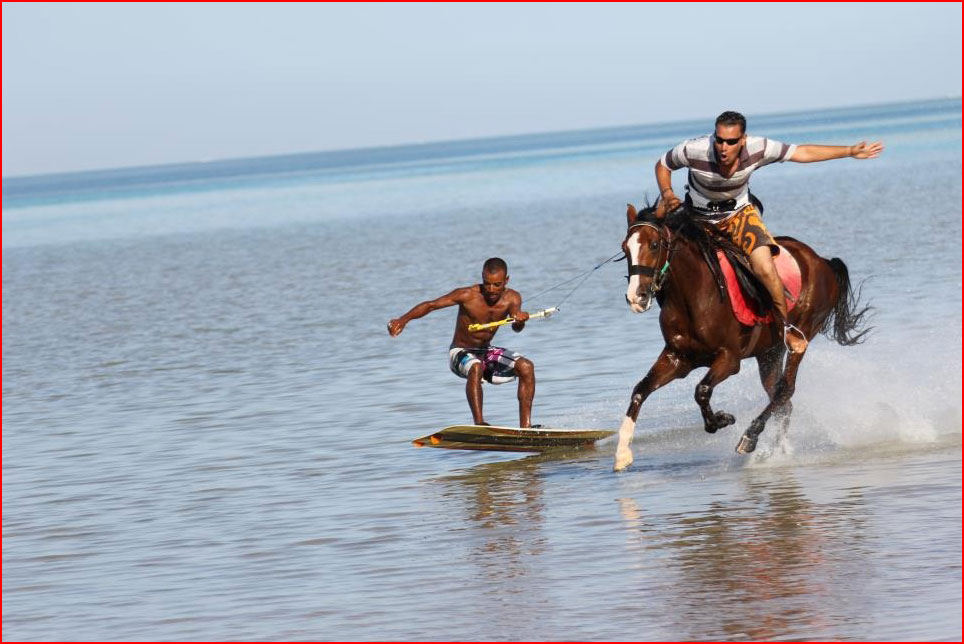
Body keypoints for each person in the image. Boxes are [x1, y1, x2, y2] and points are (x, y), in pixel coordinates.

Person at [655, 110, 883, 354]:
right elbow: (663, 165)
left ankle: (785, 327)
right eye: (719, 139)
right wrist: (668, 193)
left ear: (743, 140)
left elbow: (801, 152)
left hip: (738, 216)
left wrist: (848, 151)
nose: (723, 147)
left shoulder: (759, 148)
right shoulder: (694, 149)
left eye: (731, 142)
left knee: (764, 265)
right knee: (659, 252)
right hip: (696, 217)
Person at [387, 257, 537, 427]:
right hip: (460, 352)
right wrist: (403, 320)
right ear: (482, 277)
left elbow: (516, 328)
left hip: (485, 352)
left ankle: (526, 427)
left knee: (526, 367)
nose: (491, 289)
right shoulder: (467, 295)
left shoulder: (513, 298)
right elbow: (431, 305)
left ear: (506, 280)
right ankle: (480, 424)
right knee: (475, 366)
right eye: (487, 283)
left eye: (497, 284)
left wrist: (520, 321)